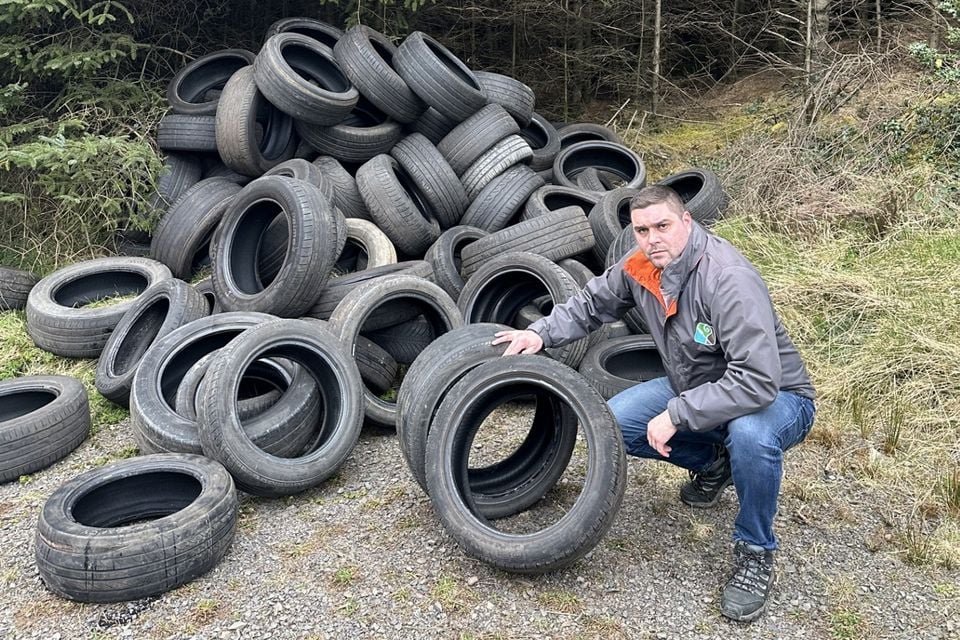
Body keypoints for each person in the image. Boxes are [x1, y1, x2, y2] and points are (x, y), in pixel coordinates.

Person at [492, 185, 815, 623]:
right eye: (642, 230)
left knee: (751, 434)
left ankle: (755, 550)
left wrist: (677, 413)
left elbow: (757, 380)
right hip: (700, 385)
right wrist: (541, 333)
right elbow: (592, 304)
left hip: (778, 397)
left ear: (686, 222)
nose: (652, 238)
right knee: (617, 423)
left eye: (662, 226)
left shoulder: (726, 278)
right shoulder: (642, 267)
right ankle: (713, 463)